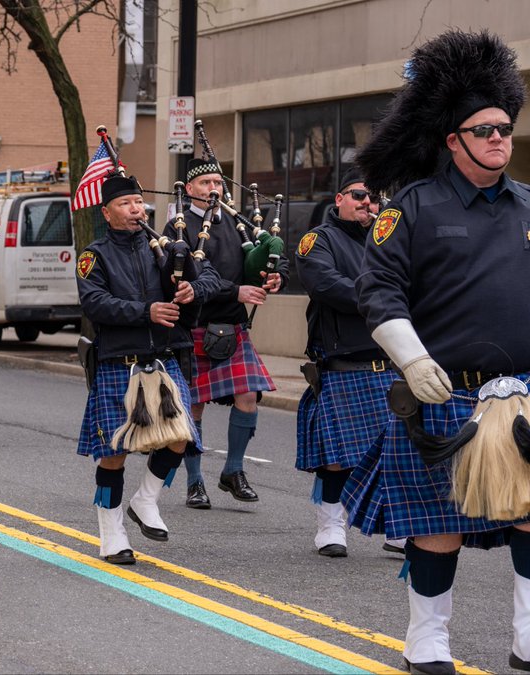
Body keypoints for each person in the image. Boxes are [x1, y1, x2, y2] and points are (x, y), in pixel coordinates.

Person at [347, 30, 530, 674]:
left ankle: (528, 637)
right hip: (444, 392)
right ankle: (427, 638)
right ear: (453, 140)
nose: (498, 140)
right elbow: (379, 291)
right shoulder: (411, 209)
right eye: (483, 130)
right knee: (437, 525)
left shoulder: (529, 207)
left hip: (523, 394)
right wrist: (413, 358)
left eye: (505, 128)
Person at [76, 174, 218, 563]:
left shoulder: (166, 248)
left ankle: (145, 499)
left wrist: (193, 290)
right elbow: (95, 303)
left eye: (139, 202)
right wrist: (146, 311)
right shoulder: (95, 255)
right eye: (125, 204)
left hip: (164, 358)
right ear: (106, 212)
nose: (136, 209)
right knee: (114, 451)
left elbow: (209, 277)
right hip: (118, 361)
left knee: (181, 435)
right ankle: (112, 533)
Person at [163, 159, 284, 508]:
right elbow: (187, 278)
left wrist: (276, 277)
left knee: (248, 396)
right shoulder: (178, 228)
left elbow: (269, 253)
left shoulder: (237, 222)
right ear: (189, 190)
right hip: (196, 323)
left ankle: (233, 471)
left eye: (217, 182)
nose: (213, 188)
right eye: (204, 183)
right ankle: (195, 481)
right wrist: (237, 292)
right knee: (195, 405)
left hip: (233, 325)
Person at [294, 167, 402, 558]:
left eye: (374, 196)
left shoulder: (389, 240)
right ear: (338, 199)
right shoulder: (318, 240)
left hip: (391, 363)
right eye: (358, 195)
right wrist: (379, 298)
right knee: (337, 458)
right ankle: (330, 525)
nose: (367, 203)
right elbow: (324, 284)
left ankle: (397, 529)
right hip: (344, 362)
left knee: (396, 452)